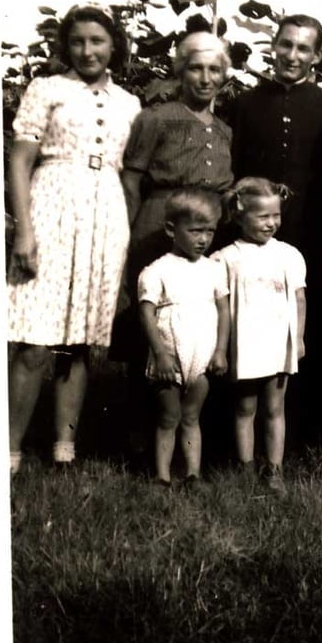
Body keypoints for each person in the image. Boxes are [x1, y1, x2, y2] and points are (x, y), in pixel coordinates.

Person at [7, 3, 141, 473]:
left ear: (114, 46)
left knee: (81, 340)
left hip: (105, 212)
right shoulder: (47, 89)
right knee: (34, 340)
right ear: (67, 45)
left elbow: (128, 175)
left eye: (98, 41)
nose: (88, 50)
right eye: (79, 41)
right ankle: (9, 449)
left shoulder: (129, 103)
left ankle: (65, 448)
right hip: (52, 204)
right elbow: (20, 161)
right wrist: (24, 230)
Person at [230, 15, 322, 446]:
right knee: (254, 323)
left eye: (303, 49)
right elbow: (238, 168)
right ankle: (245, 427)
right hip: (255, 233)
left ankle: (309, 431)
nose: (292, 56)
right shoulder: (247, 103)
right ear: (274, 46)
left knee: (310, 326)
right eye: (286, 45)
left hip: (309, 234)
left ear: (316, 56)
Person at [120, 31, 233, 458]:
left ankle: (196, 431)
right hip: (158, 223)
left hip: (205, 227)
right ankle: (138, 435)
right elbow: (132, 178)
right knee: (149, 321)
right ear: (180, 70)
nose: (205, 78)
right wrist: (130, 232)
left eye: (214, 70)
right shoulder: (157, 117)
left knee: (197, 325)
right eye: (195, 68)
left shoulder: (223, 129)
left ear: (224, 75)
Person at [212, 178, 307, 494]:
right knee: (244, 408)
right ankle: (245, 468)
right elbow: (219, 305)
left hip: (279, 344)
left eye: (276, 215)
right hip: (246, 345)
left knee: (275, 408)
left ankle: (274, 469)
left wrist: (301, 338)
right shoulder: (225, 258)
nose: (272, 223)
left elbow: (300, 300)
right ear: (240, 216)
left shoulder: (289, 254)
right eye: (263, 217)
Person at [138, 186, 230, 487]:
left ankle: (193, 474)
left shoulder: (213, 269)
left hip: (202, 354)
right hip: (171, 353)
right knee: (168, 417)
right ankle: (162, 476)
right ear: (171, 229)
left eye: (209, 231)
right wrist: (161, 355)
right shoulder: (157, 270)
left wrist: (220, 351)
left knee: (192, 417)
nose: (203, 239)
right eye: (195, 231)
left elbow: (223, 311)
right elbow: (147, 314)